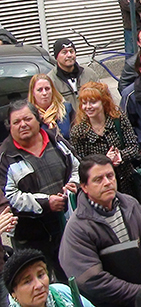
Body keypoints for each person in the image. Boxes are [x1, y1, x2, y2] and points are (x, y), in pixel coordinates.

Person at [60, 154, 141, 307]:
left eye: (110, 176)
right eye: (98, 179)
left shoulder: (130, 205)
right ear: (84, 187)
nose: (107, 183)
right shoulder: (77, 228)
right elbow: (92, 281)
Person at [0, 101, 79, 282]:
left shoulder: (56, 141)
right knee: (38, 285)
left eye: (27, 119)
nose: (23, 125)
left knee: (72, 280)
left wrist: (73, 185)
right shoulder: (5, 157)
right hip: (30, 237)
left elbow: (77, 167)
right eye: (16, 122)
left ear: (38, 119)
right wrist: (46, 203)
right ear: (9, 126)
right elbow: (8, 197)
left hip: (67, 228)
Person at [70, 82, 141, 198]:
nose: (88, 107)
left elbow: (133, 146)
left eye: (93, 102)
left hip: (127, 182)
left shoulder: (118, 119)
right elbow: (81, 164)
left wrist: (120, 156)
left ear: (103, 102)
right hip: (100, 189)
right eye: (84, 103)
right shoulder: (79, 132)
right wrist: (105, 160)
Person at [3, 249, 95, 307]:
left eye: (40, 275)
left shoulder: (62, 292)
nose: (39, 285)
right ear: (13, 294)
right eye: (27, 281)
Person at [46, 38, 100, 109]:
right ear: (56, 57)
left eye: (71, 51)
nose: (69, 55)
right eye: (64, 52)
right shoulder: (50, 80)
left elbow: (103, 97)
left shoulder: (89, 74)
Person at [27, 74, 74, 140]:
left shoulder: (66, 109)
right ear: (33, 93)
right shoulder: (30, 115)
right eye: (40, 90)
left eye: (47, 89)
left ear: (52, 90)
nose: (44, 93)